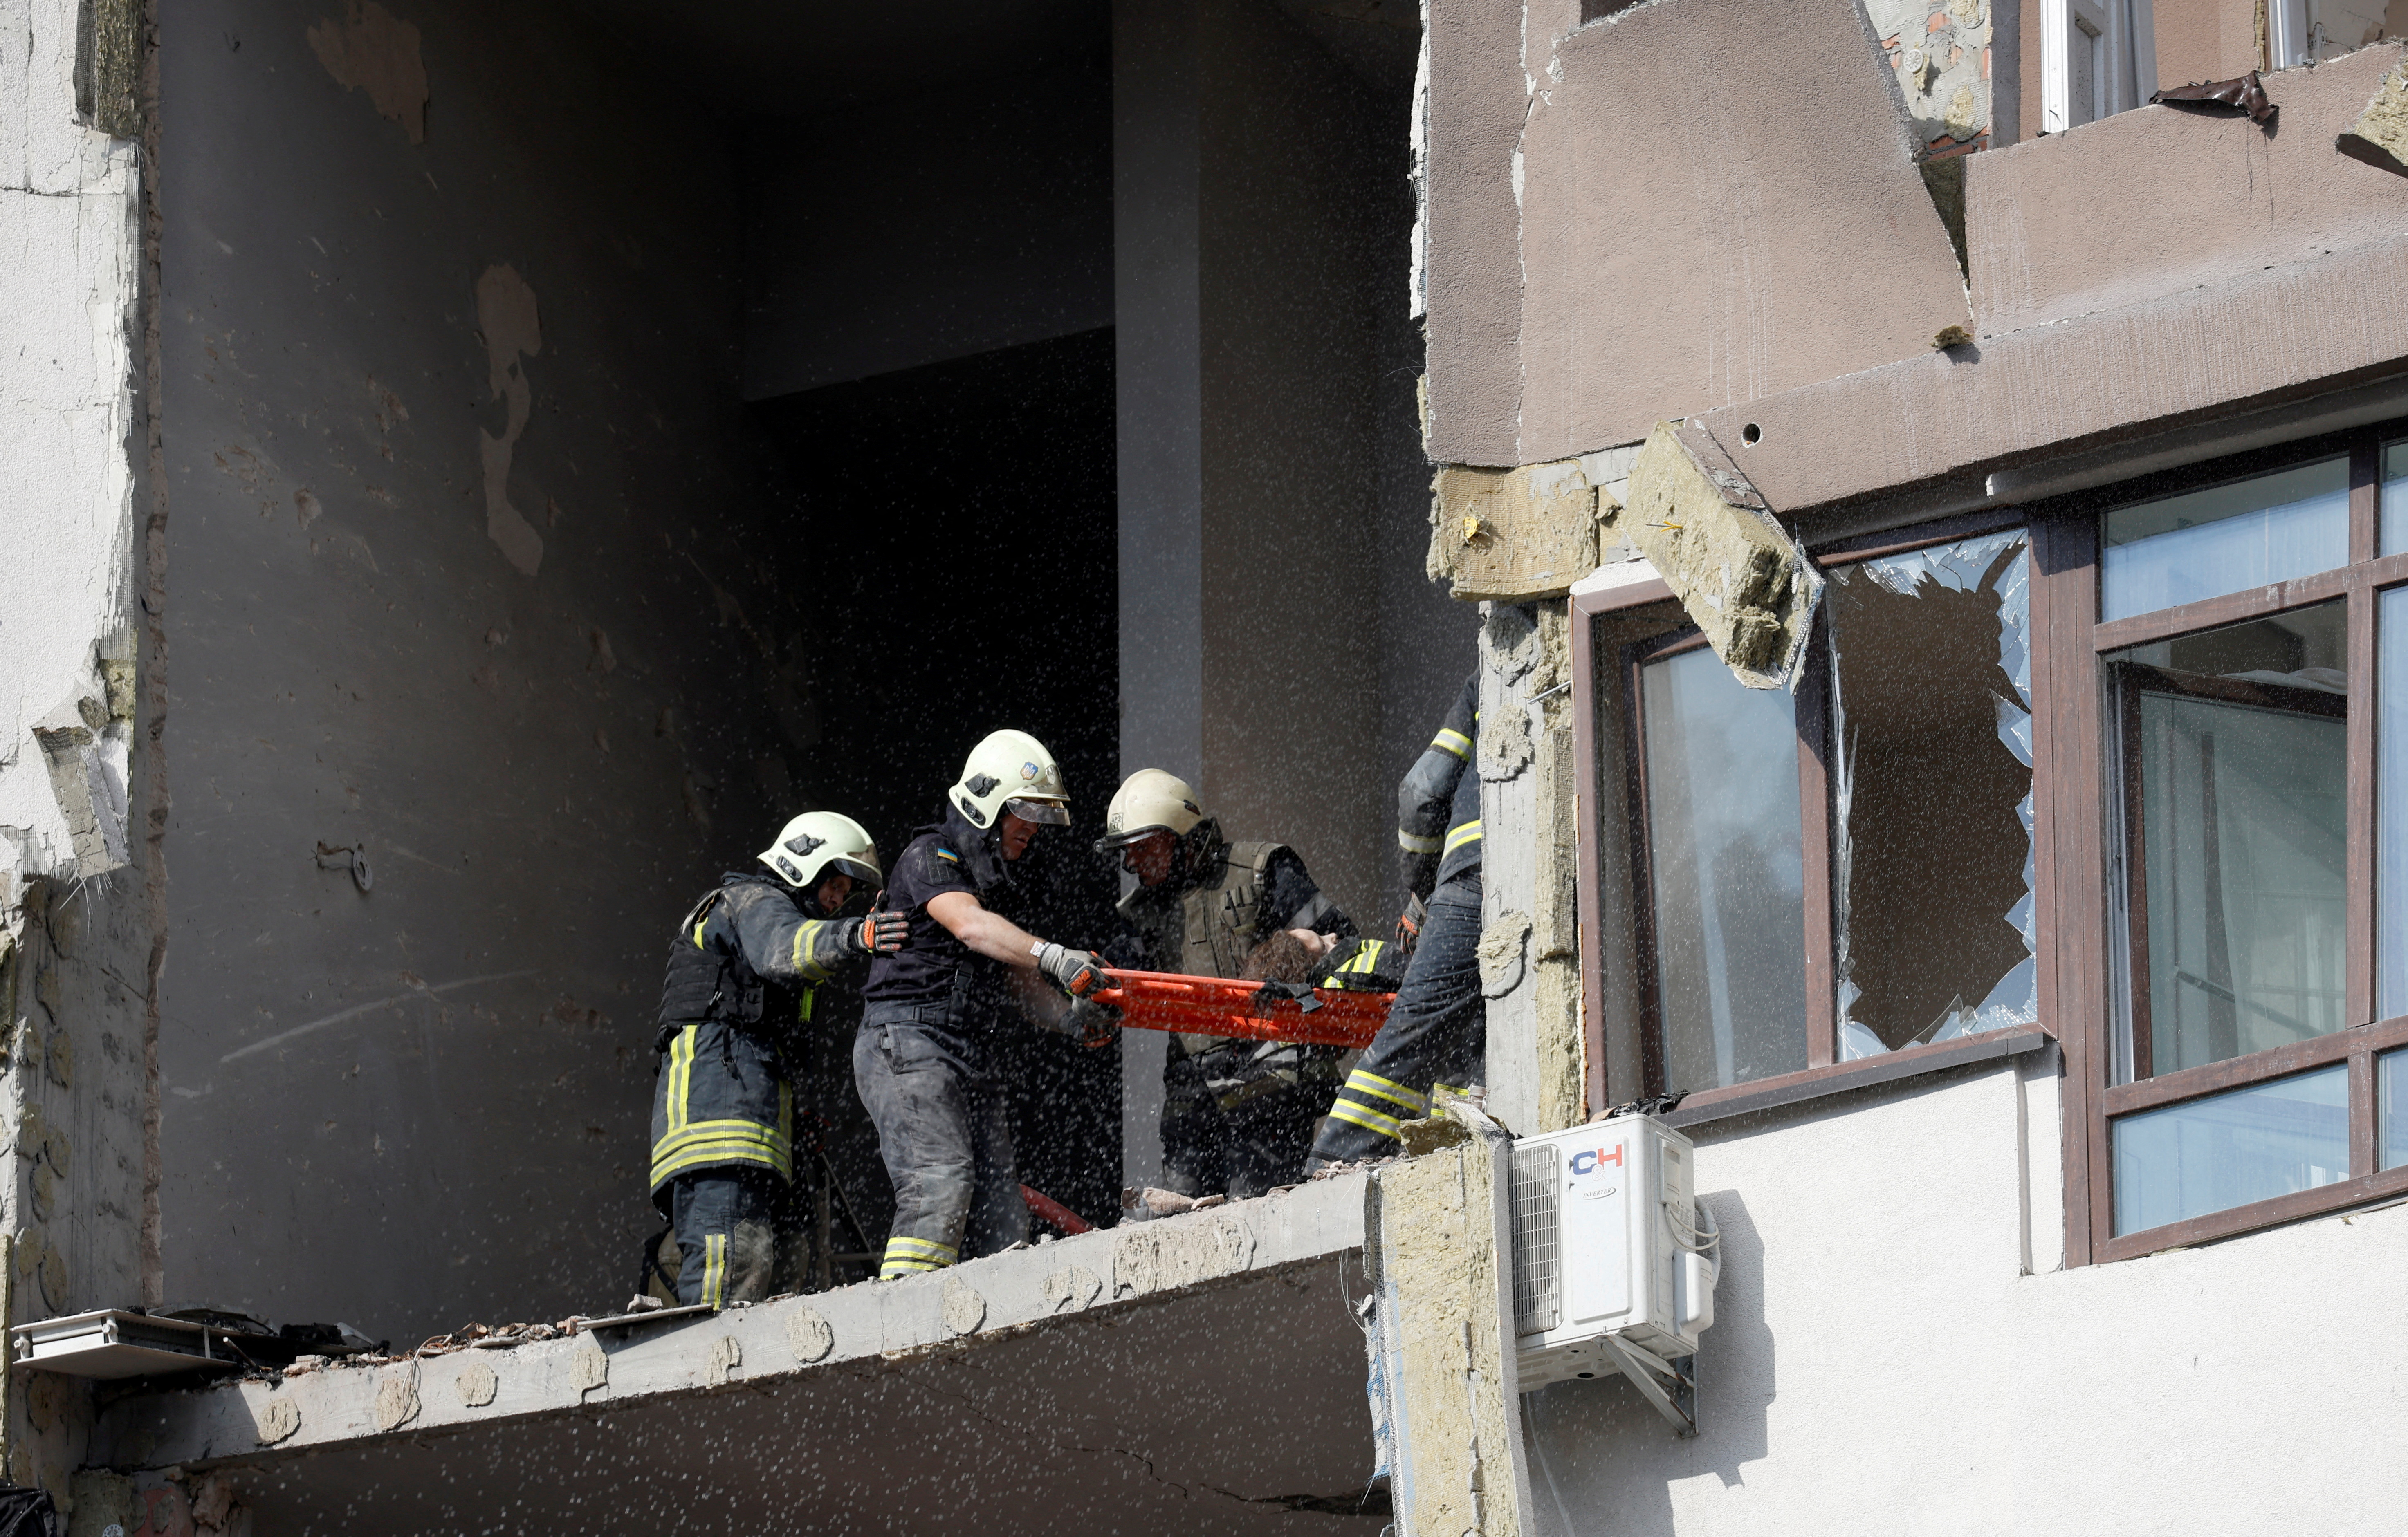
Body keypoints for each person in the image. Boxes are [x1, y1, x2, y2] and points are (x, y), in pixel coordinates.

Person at [855, 730, 1113, 1280]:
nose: (1033, 826)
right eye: (1024, 811)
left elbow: (1018, 984)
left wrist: (1071, 1020)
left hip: (966, 1053)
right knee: (940, 1183)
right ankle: (906, 1317)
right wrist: (1055, 957)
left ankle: (993, 1345)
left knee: (1001, 1211)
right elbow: (971, 929)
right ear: (986, 802)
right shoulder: (931, 856)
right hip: (909, 1044)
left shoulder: (996, 885)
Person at [649, 811, 903, 1308]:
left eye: (846, 891)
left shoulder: (755, 912)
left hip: (747, 1128)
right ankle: (711, 1379)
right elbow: (785, 950)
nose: (836, 900)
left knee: (784, 1260)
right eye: (835, 883)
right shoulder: (754, 901)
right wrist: (858, 935)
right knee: (732, 1265)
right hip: (716, 1128)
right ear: (804, 862)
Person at [1097, 768, 1358, 1198]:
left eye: (1142, 848)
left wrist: (1293, 968)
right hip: (1192, 1096)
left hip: (1270, 1083)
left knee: (1252, 1209)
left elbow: (1344, 947)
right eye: (1126, 852)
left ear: (1180, 837)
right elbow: (1115, 978)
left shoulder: (1262, 870)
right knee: (1180, 1220)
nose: (1131, 864)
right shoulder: (1142, 914)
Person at [1306, 672, 1485, 1170]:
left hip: (1474, 870)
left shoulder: (1486, 676)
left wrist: (1426, 889)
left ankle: (1336, 1159)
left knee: (1418, 1027)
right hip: (1555, 866)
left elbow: (1422, 791)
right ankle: (1459, 1147)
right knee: (1474, 1019)